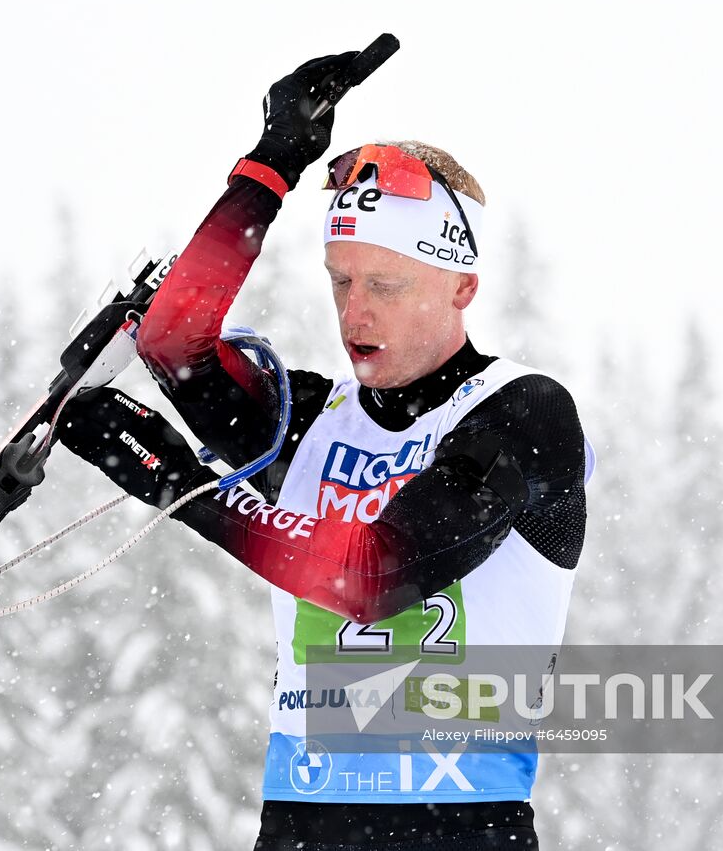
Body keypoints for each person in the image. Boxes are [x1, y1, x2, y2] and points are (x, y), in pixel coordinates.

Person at [57, 52, 593, 850]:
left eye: (386, 284)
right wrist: (272, 165)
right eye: (341, 280)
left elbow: (373, 575)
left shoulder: (525, 413)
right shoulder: (309, 418)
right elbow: (173, 341)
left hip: (459, 830)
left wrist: (182, 484)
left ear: (460, 287)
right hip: (301, 828)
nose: (355, 312)